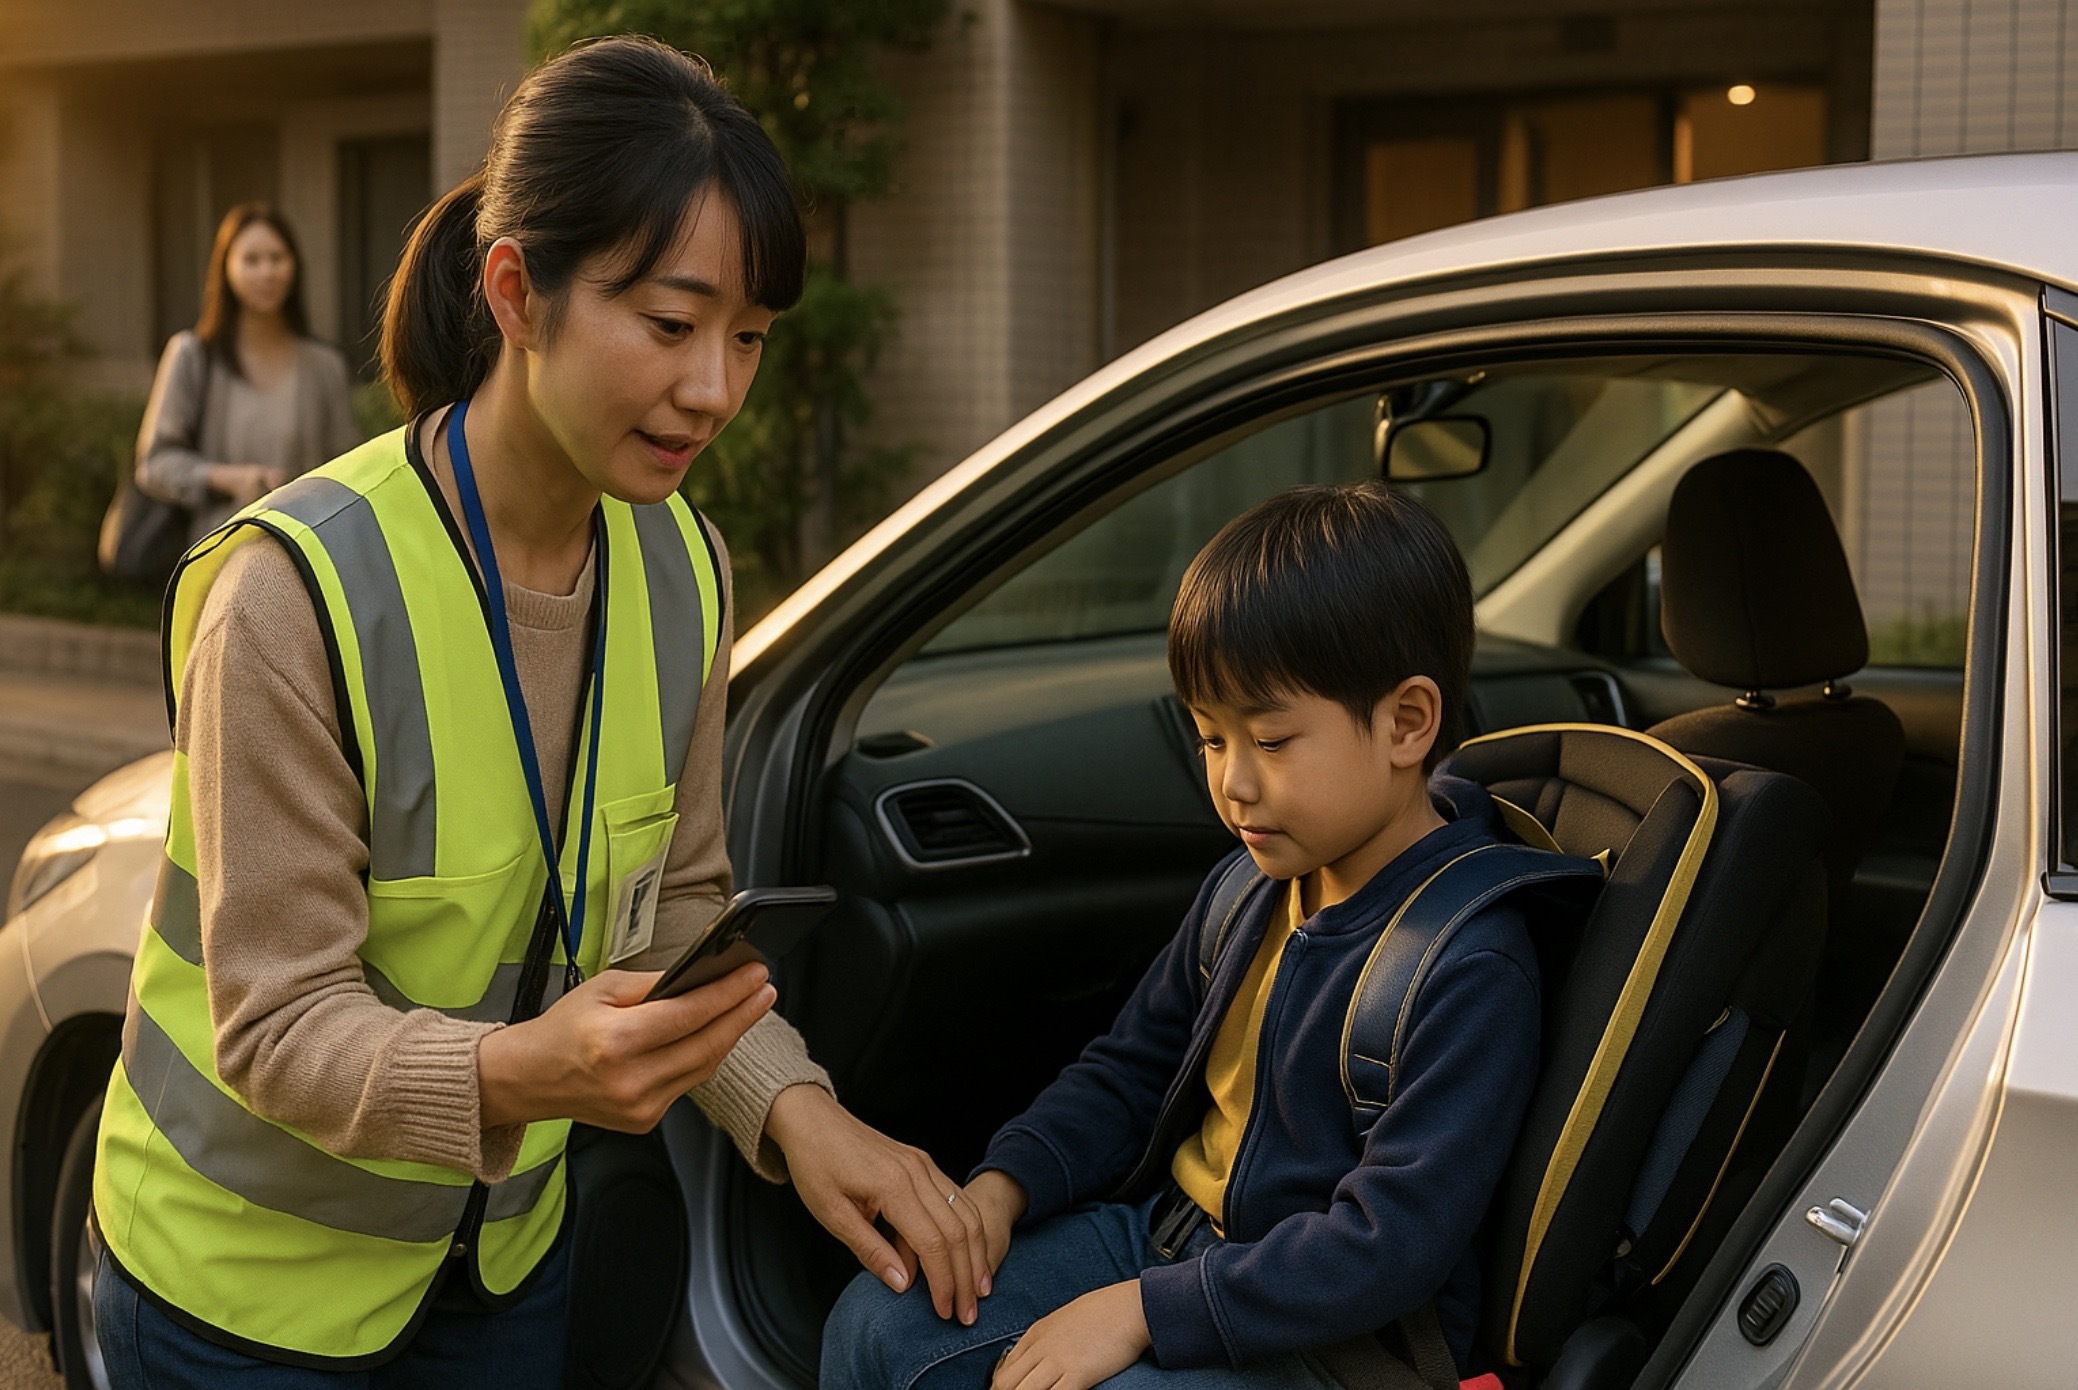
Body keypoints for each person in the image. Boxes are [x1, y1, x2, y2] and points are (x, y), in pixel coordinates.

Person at [91, 37, 992, 1389]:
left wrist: (798, 1112)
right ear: (516, 290)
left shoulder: (681, 565)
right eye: (672, 325)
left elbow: (679, 915)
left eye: (748, 337)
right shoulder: (293, 590)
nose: (714, 391)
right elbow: (274, 1021)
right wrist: (519, 1071)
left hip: (504, 1270)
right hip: (243, 1298)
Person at [824, 482, 1545, 1390]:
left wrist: (1141, 1312)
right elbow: (1130, 1070)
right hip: (1165, 1241)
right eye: (1210, 739)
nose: (1234, 784)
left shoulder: (1466, 962)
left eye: (1272, 742)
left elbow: (1387, 1244)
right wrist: (1004, 1188)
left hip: (1324, 1338)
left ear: (1407, 723)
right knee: (878, 1326)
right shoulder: (1252, 883)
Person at [136, 202, 362, 544]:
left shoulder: (324, 364)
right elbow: (155, 464)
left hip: (307, 553)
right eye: (252, 260)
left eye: (277, 258)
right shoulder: (193, 356)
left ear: (295, 265)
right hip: (218, 553)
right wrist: (228, 478)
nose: (267, 272)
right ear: (225, 268)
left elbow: (350, 471)